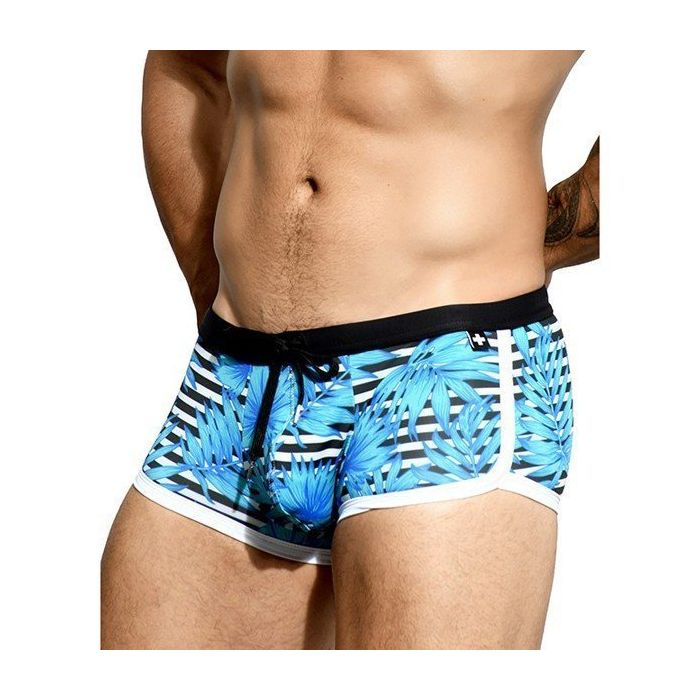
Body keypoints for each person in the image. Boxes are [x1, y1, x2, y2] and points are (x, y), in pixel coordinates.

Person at [101, 50, 599, 650]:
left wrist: (536, 235)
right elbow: (187, 65)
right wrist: (219, 287)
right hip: (238, 377)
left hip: (446, 375)